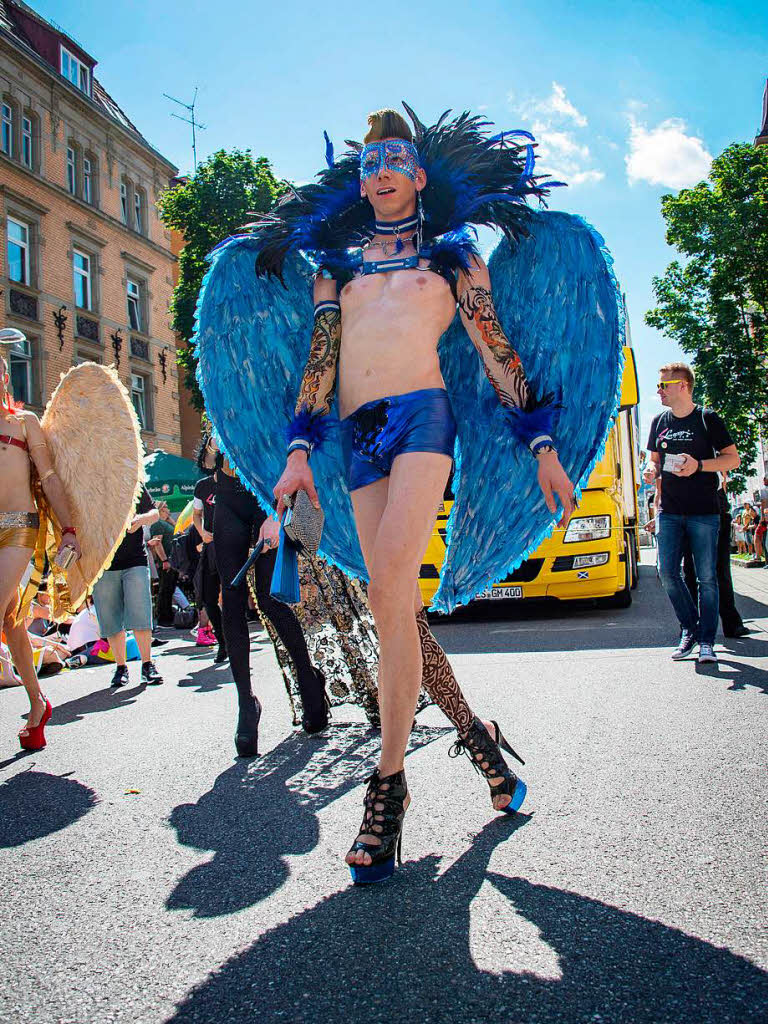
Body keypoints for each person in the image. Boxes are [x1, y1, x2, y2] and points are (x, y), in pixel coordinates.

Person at [271, 109, 575, 883]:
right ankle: (480, 740)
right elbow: (320, 359)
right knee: (394, 607)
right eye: (368, 163)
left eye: (393, 161)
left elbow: (494, 346)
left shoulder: (453, 260)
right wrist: (299, 450)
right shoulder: (333, 268)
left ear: (419, 175)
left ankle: (388, 788)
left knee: (386, 589)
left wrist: (541, 443)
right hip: (355, 434)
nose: (378, 174)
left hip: (422, 420)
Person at [204, 433, 332, 755]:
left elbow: (287, 440)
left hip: (266, 492)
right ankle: (246, 705)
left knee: (269, 599)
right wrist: (212, 444)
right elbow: (207, 463)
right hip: (227, 496)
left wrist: (276, 515)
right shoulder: (213, 386)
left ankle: (308, 681)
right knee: (230, 598)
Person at [0, 344, 81, 749]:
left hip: (19, 527)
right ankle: (38, 705)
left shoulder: (24, 421)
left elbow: (49, 478)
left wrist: (68, 528)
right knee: (12, 623)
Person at [646, 362, 740, 664]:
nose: (658, 391)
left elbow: (732, 460)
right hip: (670, 512)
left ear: (682, 386)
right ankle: (690, 629)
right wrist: (651, 470)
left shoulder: (707, 418)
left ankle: (706, 643)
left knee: (707, 579)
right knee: (667, 573)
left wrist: (698, 464)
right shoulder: (659, 421)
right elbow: (654, 462)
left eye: (663, 385)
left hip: (703, 512)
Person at [91, 485, 164, 687]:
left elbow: (155, 513)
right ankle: (120, 667)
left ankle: (147, 664)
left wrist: (140, 520)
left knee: (141, 612)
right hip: (103, 563)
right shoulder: (90, 484)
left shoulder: (132, 481)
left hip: (135, 560)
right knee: (110, 618)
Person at [682, 477, 748, 638]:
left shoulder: (716, 452)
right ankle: (691, 628)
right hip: (688, 513)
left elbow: (723, 480)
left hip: (716, 511)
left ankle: (731, 623)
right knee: (691, 572)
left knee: (721, 571)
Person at [193, 441, 226, 662]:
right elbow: (196, 514)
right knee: (208, 596)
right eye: (206, 452)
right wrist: (202, 532)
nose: (209, 456)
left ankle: (235, 642)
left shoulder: (231, 481)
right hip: (211, 545)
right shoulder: (201, 486)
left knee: (234, 596)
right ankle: (222, 642)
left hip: (232, 545)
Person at [148, 501, 177, 627]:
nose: (168, 509)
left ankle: (168, 616)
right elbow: (157, 543)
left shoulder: (164, 522)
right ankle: (164, 618)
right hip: (167, 561)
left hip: (172, 560)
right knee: (165, 589)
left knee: (169, 589)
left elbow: (177, 529)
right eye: (166, 507)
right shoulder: (157, 523)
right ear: (160, 509)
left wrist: (169, 519)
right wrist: (164, 560)